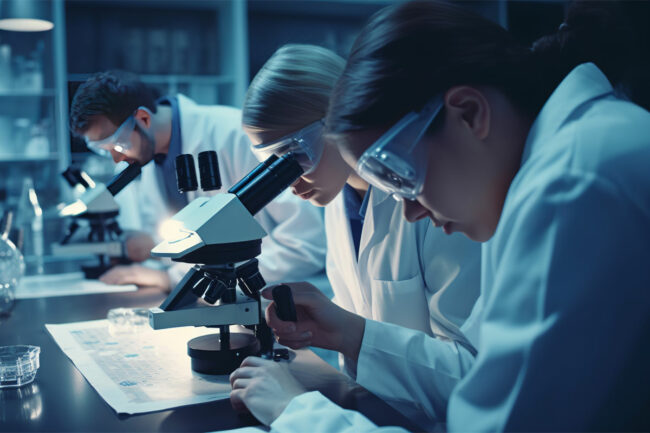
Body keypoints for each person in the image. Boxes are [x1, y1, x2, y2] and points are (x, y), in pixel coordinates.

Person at [228, 1, 650, 431]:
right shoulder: (564, 161)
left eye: (398, 170)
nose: (409, 211)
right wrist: (347, 332)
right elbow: (485, 385)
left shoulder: (573, 183)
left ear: (469, 113)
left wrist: (298, 414)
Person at [240, 44, 481, 428]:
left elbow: (473, 376)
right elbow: (369, 311)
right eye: (271, 165)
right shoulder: (338, 200)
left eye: (293, 157)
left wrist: (352, 334)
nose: (289, 182)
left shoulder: (433, 201)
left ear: (337, 119)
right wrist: (333, 324)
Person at [69, 71, 327, 290]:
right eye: (103, 150)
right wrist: (153, 249)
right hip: (208, 300)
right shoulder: (146, 159)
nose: (116, 158)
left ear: (144, 119)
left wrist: (173, 279)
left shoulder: (232, 134)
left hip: (271, 302)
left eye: (117, 144)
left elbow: (305, 243)